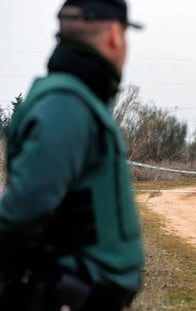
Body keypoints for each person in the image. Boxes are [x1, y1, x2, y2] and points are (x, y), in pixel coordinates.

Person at [0, 1, 145, 310]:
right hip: (69, 296)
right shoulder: (66, 105)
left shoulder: (77, 98)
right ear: (114, 35)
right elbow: (25, 209)